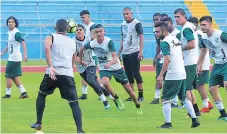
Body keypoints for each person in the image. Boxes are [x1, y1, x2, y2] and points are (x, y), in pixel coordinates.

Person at [30, 19, 84, 133]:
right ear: (67, 29)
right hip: (67, 74)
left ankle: (38, 122)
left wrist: (50, 66)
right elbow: (74, 58)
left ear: (55, 27)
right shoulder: (72, 41)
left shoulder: (51, 36)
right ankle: (79, 130)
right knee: (74, 102)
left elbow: (46, 48)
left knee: (41, 94)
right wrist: (70, 68)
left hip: (52, 72)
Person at [79, 24, 142, 114]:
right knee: (104, 83)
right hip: (104, 68)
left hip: (116, 67)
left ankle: (137, 105)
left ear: (104, 32)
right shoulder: (93, 43)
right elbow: (82, 48)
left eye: (101, 31)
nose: (99, 33)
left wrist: (109, 63)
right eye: (97, 32)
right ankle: (116, 98)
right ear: (94, 33)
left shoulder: (109, 42)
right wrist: (81, 60)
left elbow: (115, 57)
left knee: (129, 90)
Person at [155, 22, 200, 129]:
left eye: (157, 31)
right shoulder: (176, 40)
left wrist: (161, 75)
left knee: (166, 98)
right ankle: (194, 120)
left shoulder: (164, 42)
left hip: (173, 74)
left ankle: (168, 123)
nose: (155, 34)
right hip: (182, 72)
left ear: (164, 31)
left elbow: (167, 60)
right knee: (183, 98)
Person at [74, 24, 111, 109]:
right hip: (80, 67)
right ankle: (107, 95)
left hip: (90, 63)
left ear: (84, 31)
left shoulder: (89, 40)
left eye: (80, 29)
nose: (78, 31)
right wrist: (80, 60)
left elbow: (97, 40)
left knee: (91, 80)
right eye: (77, 30)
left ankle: (105, 102)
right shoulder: (73, 42)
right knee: (94, 83)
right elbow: (73, 56)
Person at [197, 16, 227, 121]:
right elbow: (203, 51)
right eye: (201, 25)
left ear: (210, 24)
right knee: (212, 89)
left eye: (204, 25)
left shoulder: (220, 34)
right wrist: (199, 64)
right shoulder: (203, 37)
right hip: (217, 64)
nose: (202, 27)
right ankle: (223, 114)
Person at [174, 8, 201, 116]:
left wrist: (180, 49)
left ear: (184, 16)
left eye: (178, 17)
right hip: (191, 61)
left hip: (189, 62)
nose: (176, 19)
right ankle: (196, 111)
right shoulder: (189, 26)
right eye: (175, 17)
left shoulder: (186, 28)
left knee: (185, 89)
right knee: (189, 88)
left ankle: (191, 113)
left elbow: (192, 44)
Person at [188, 17, 214, 113]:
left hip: (201, 63)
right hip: (199, 61)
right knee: (197, 85)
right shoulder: (197, 34)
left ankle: (205, 106)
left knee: (200, 85)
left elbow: (204, 48)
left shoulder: (198, 34)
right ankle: (208, 103)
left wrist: (200, 63)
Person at [118, 7, 144, 102]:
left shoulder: (137, 23)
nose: (125, 16)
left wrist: (141, 50)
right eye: (124, 14)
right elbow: (123, 39)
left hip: (134, 51)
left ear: (131, 13)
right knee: (128, 74)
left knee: (136, 73)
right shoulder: (123, 24)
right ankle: (132, 94)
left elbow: (141, 37)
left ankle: (141, 95)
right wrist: (119, 53)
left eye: (127, 13)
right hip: (125, 53)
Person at [1, 16, 28, 99]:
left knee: (8, 75)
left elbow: (23, 42)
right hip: (12, 57)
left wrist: (25, 54)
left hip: (14, 58)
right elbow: (8, 45)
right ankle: (23, 92)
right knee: (14, 76)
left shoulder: (16, 33)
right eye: (9, 22)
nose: (10, 23)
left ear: (15, 23)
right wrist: (2, 52)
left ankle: (8, 94)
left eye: (12, 22)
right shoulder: (10, 33)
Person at [162, 17, 181, 108]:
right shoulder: (168, 37)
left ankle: (174, 103)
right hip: (179, 68)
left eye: (167, 24)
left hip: (175, 68)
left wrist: (160, 74)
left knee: (165, 97)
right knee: (183, 95)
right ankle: (194, 117)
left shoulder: (177, 34)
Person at [79, 10, 96, 99]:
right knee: (84, 72)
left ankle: (103, 90)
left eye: (83, 17)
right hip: (85, 52)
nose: (82, 19)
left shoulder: (93, 26)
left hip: (92, 54)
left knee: (94, 75)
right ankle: (84, 94)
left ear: (88, 17)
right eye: (81, 18)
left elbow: (93, 39)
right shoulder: (83, 27)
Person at [150, 13, 163, 104]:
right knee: (158, 78)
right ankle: (156, 98)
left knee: (170, 80)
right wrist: (155, 57)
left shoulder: (169, 31)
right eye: (154, 20)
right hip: (160, 58)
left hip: (167, 58)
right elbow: (158, 45)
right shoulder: (155, 30)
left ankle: (175, 101)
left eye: (157, 19)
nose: (155, 21)